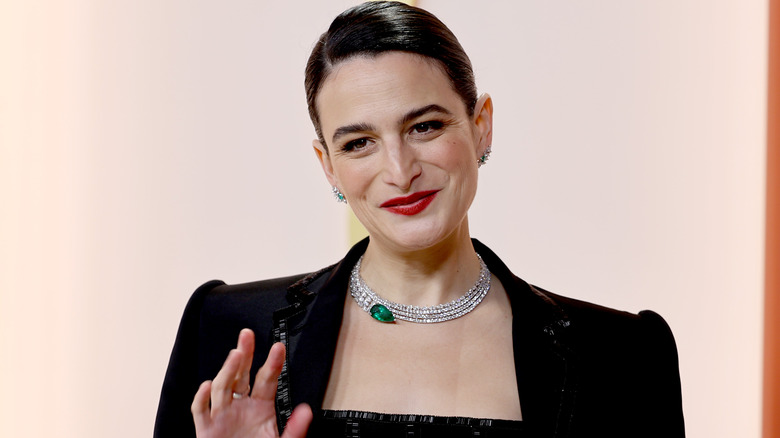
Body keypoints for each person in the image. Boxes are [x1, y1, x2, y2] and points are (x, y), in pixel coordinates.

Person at [154, 2, 685, 437]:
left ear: (482, 127)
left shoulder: (623, 356)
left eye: (425, 127)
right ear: (329, 167)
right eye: (359, 143)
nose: (400, 170)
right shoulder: (228, 330)